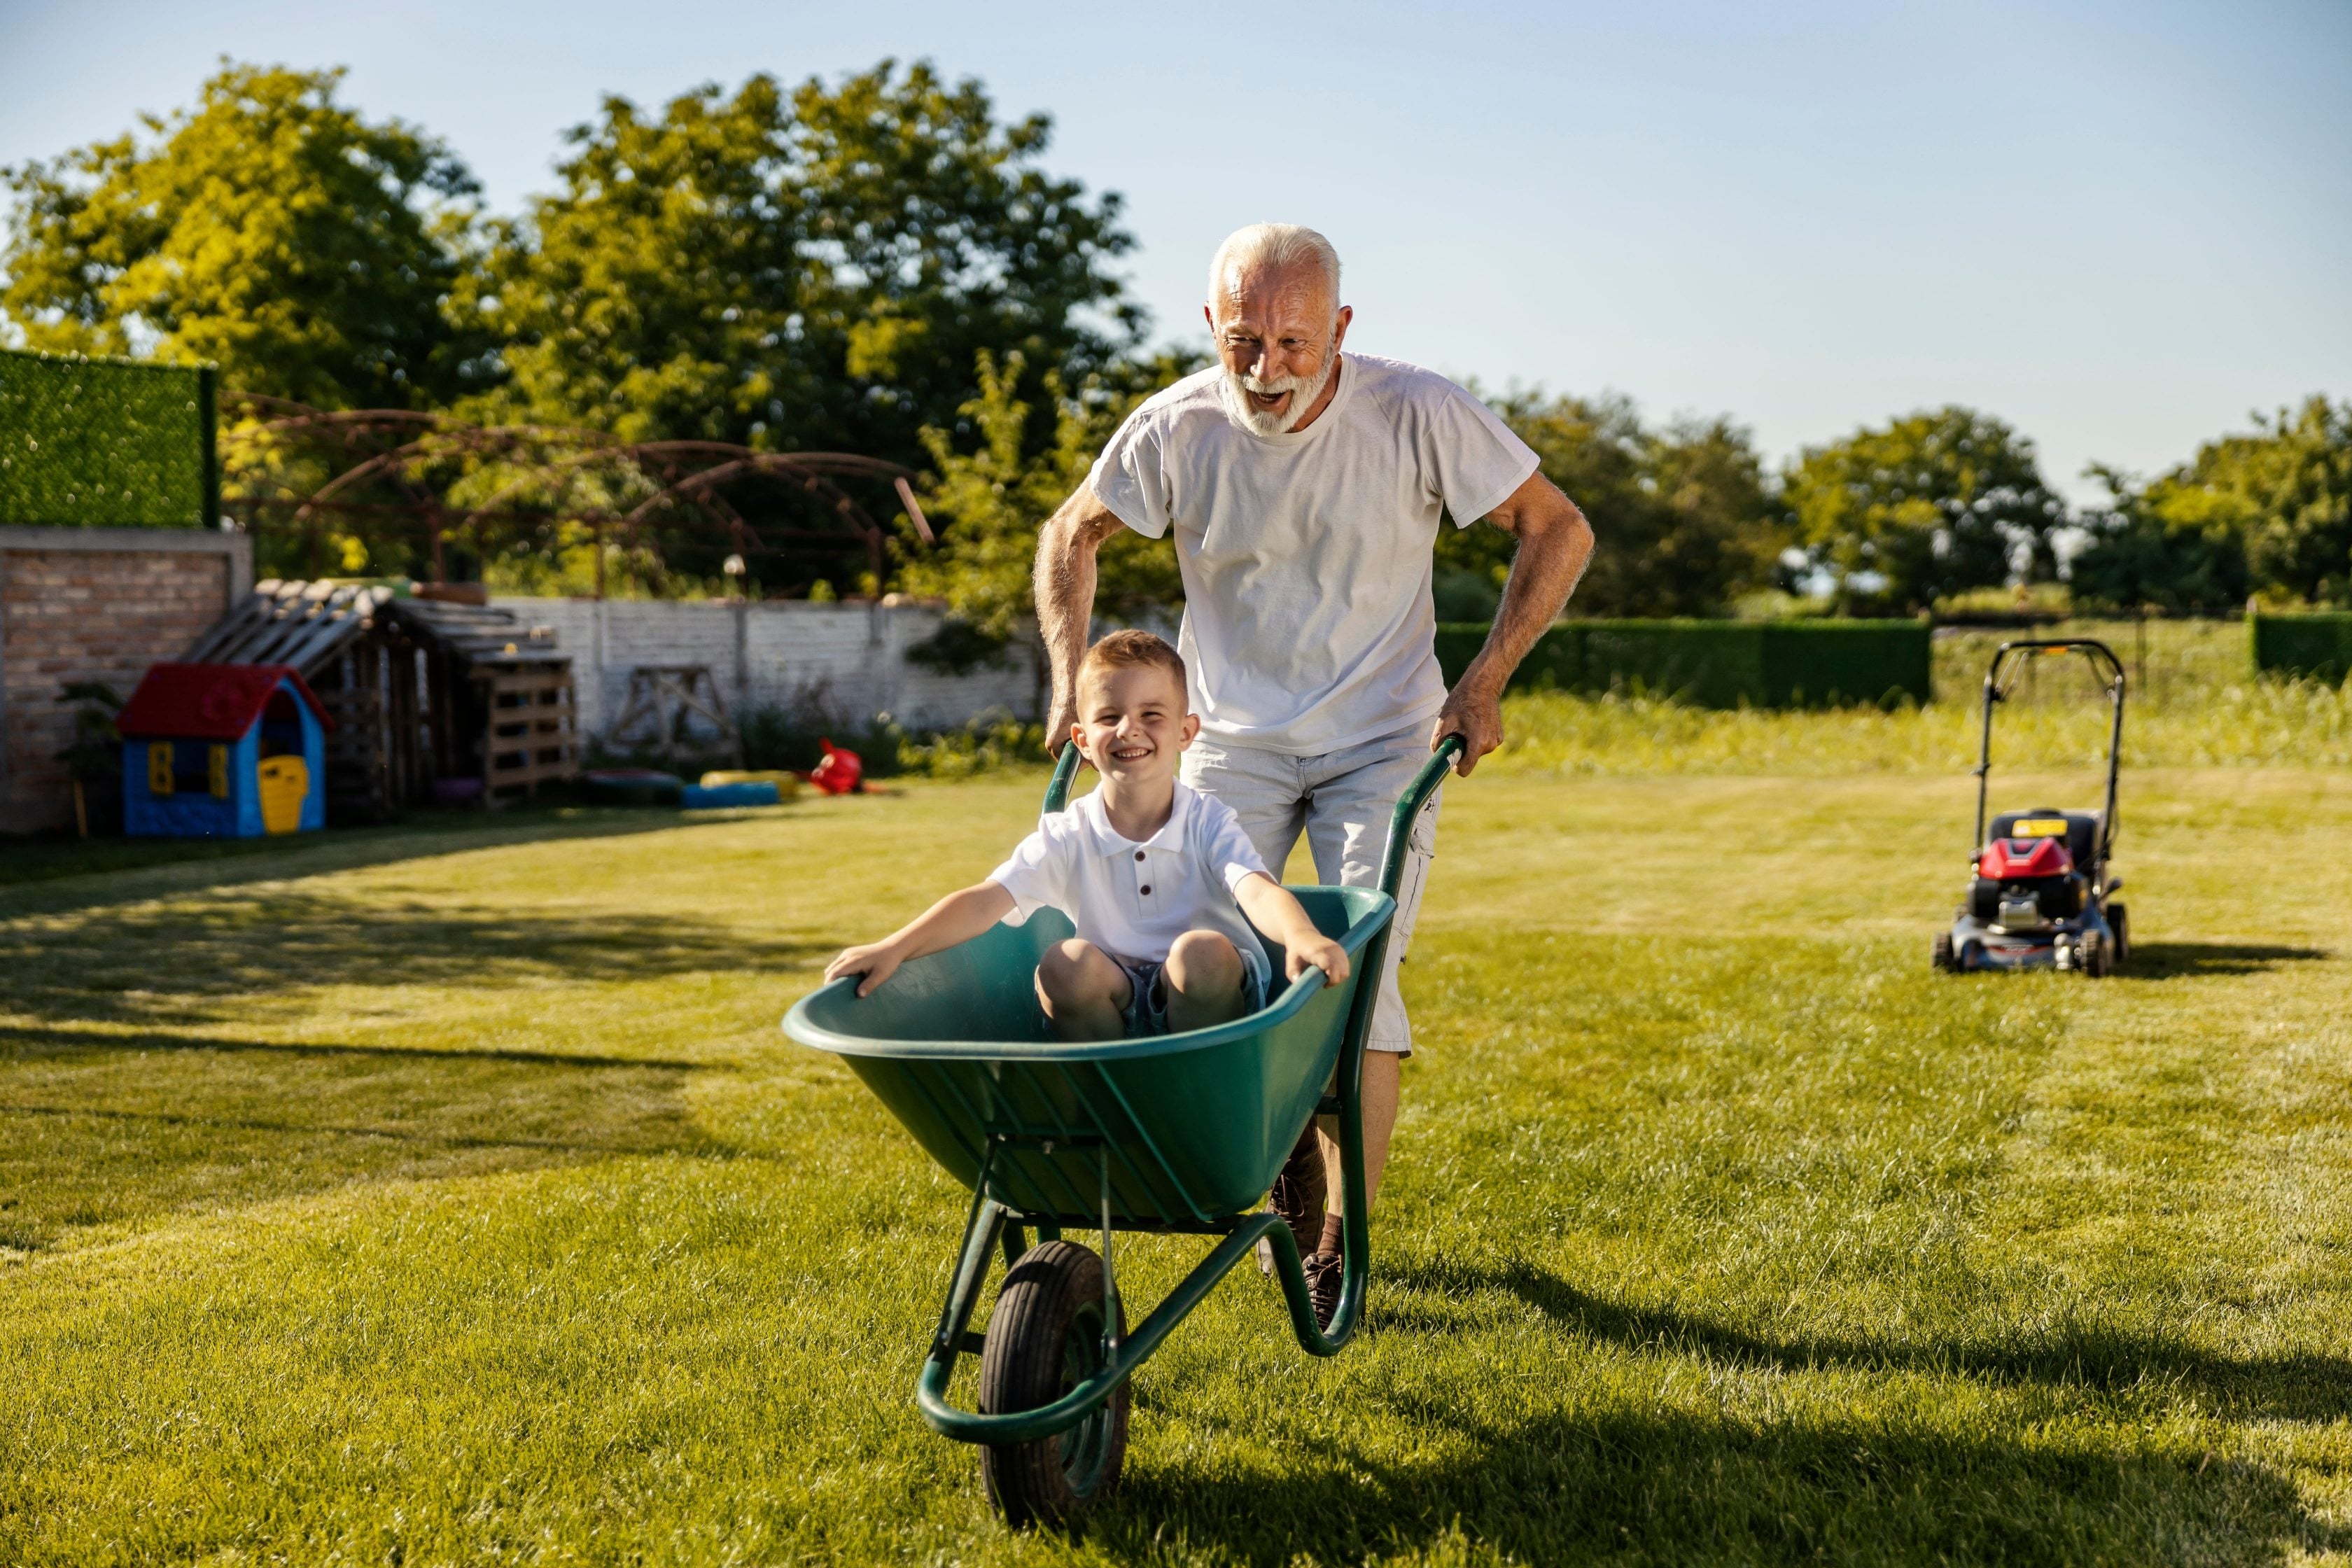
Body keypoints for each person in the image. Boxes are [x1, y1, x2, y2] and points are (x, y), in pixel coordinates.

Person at [1032, 222, 1595, 1322]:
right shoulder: (1180, 426)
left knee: (1353, 978)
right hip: (1228, 739)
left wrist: (1480, 684)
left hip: (1381, 737)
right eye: (1243, 341)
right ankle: (1277, 1144)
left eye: (1294, 343)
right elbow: (1073, 533)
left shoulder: (1416, 411)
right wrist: (1066, 684)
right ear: (1211, 326)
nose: (1266, 370)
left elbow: (1556, 528)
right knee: (1196, 955)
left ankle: (1341, 1239)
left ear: (1341, 329)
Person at [823, 630, 1350, 1042]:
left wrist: (1303, 936)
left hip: (1207, 999)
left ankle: (1197, 1091)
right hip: (1113, 998)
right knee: (1063, 963)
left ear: (1187, 733)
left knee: (1200, 953)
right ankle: (1114, 1099)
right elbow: (985, 901)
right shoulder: (1069, 833)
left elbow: (1257, 889)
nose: (1129, 730)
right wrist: (894, 947)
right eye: (1109, 717)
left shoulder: (1207, 821)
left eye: (1152, 715)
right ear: (1083, 739)